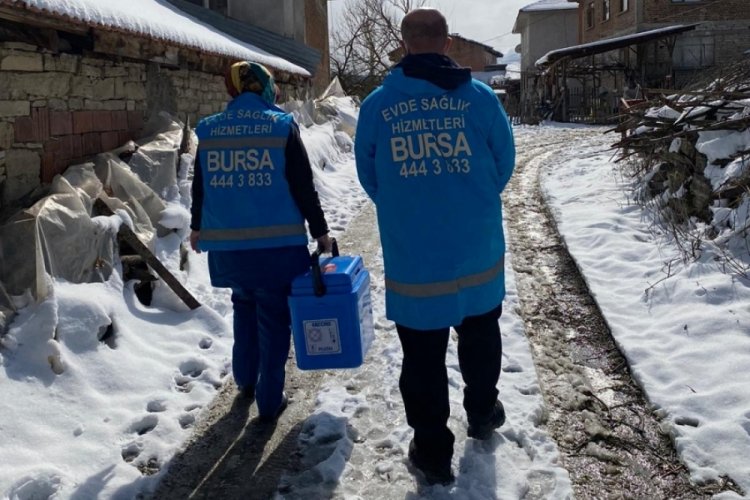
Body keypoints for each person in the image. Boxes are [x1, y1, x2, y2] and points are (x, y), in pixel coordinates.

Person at [354, 8, 515, 485]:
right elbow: (503, 164)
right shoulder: (482, 99)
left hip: (415, 258)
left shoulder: (378, 107)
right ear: (447, 45)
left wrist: (411, 205)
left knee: (422, 356)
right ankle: (483, 413)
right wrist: (468, 198)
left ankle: (432, 451)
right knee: (482, 337)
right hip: (476, 250)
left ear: (404, 45)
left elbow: (371, 176)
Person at [190, 61, 332, 422]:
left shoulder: (210, 129)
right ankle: (269, 400)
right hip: (276, 249)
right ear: (267, 86)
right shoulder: (281, 126)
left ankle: (244, 380)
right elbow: (303, 186)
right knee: (273, 319)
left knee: (244, 306)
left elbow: (200, 185)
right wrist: (321, 232)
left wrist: (196, 226)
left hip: (229, 251)